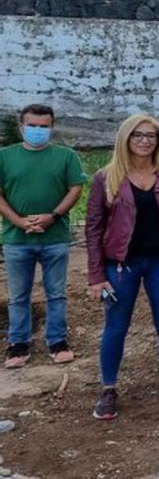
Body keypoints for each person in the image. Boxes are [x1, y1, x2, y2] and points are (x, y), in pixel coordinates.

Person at [85, 114, 159, 419]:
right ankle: (108, 389)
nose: (144, 140)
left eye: (151, 135)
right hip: (121, 265)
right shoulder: (106, 178)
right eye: (137, 135)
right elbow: (94, 228)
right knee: (116, 326)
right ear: (125, 138)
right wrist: (96, 276)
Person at [0, 104, 86, 369]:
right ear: (21, 126)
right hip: (17, 239)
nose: (38, 131)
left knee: (56, 293)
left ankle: (57, 341)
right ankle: (18, 344)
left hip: (55, 237)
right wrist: (20, 221)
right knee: (18, 295)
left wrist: (53, 216)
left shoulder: (66, 156)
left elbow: (75, 189)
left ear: (51, 126)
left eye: (43, 126)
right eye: (32, 126)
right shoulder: (5, 156)